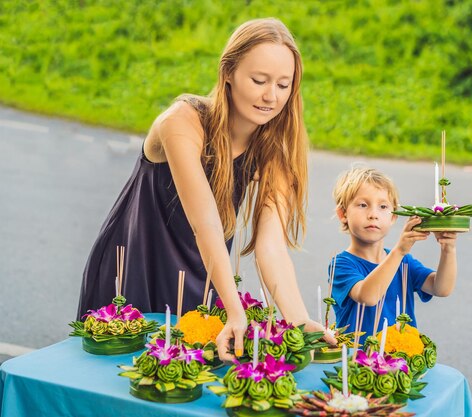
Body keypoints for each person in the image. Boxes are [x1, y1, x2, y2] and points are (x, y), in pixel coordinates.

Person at [78, 18, 334, 361]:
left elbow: (270, 247)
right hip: (133, 269)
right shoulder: (181, 121)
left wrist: (298, 319)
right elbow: (206, 223)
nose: (271, 96)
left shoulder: (274, 151)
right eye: (259, 80)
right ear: (227, 73)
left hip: (206, 278)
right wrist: (235, 309)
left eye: (283, 85)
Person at [330, 167, 458, 337]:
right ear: (343, 214)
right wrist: (399, 251)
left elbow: (441, 288)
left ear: (393, 217)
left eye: (383, 206)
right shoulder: (341, 264)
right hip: (358, 360)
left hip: (401, 358)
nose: (373, 214)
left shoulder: (404, 262)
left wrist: (448, 249)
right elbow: (368, 296)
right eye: (362, 205)